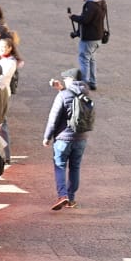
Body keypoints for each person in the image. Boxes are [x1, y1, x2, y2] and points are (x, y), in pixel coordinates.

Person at [44, 69, 91, 210]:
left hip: (63, 139)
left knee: (60, 166)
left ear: (70, 79)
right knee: (75, 167)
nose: (64, 81)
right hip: (81, 138)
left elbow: (53, 119)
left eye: (65, 79)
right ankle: (71, 198)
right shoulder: (86, 94)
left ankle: (62, 195)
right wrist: (62, 89)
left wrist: (47, 137)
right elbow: (73, 95)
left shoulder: (63, 96)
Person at [70, 0, 106, 92]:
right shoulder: (101, 2)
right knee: (92, 59)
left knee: (84, 59)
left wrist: (73, 17)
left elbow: (85, 20)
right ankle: (93, 82)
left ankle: (84, 83)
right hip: (98, 36)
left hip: (89, 38)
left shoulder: (90, 5)